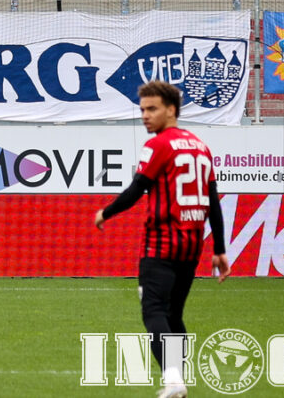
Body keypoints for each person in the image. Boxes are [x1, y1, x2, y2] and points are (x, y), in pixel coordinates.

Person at [93, 80, 228, 398]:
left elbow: (137, 187)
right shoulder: (200, 146)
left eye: (152, 109)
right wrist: (220, 249)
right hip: (192, 245)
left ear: (171, 109)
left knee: (153, 309)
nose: (145, 116)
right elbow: (213, 202)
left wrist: (106, 213)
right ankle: (177, 377)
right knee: (174, 314)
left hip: (161, 243)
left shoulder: (158, 145)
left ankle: (173, 380)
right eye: (142, 109)